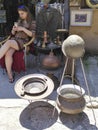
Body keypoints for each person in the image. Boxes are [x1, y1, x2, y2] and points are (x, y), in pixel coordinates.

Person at [0, 5, 36, 83]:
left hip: (23, 42)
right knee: (8, 54)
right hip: (14, 40)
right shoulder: (19, 21)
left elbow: (32, 35)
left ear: (27, 12)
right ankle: (10, 75)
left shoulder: (32, 22)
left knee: (9, 42)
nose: (20, 15)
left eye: (22, 13)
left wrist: (22, 28)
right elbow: (12, 34)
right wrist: (14, 30)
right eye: (19, 13)